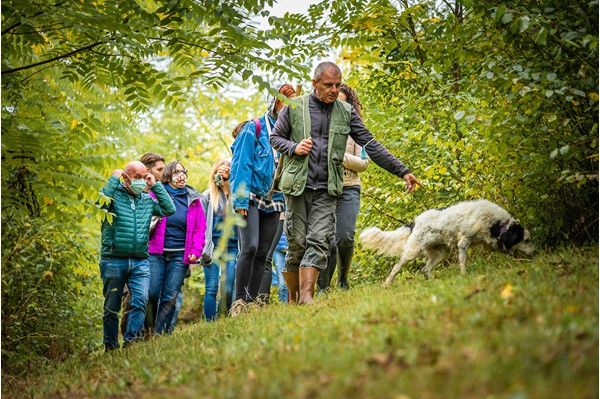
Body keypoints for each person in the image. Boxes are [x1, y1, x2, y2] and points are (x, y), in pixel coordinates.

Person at [270, 62, 423, 305]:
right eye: (328, 85)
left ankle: (307, 295)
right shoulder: (295, 107)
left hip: (327, 188)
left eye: (337, 85)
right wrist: (294, 147)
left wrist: (401, 171)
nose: (333, 89)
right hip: (297, 186)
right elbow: (275, 137)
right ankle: (295, 296)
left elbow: (370, 144)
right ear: (315, 84)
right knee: (297, 243)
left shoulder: (346, 111)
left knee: (319, 240)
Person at [229, 83, 297, 315]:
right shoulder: (254, 128)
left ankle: (251, 302)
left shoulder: (290, 134)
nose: (289, 108)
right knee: (249, 247)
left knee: (263, 253)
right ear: (276, 103)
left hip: (276, 199)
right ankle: (238, 301)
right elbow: (241, 165)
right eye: (285, 102)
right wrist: (239, 202)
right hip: (250, 197)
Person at [99, 161, 175, 351]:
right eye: (137, 177)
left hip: (140, 261)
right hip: (113, 259)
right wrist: (113, 179)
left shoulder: (147, 200)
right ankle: (110, 346)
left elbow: (168, 209)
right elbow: (99, 206)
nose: (142, 181)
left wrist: (155, 184)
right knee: (111, 307)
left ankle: (131, 343)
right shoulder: (113, 197)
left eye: (144, 176)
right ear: (126, 178)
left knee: (140, 301)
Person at [317, 84, 368, 291]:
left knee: (344, 237)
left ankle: (343, 279)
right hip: (323, 188)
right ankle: (322, 288)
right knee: (325, 240)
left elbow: (363, 163)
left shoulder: (357, 130)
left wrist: (340, 157)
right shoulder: (318, 126)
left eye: (342, 102)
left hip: (349, 187)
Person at [147, 161, 206, 334]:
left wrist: (196, 251)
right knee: (151, 293)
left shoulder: (193, 198)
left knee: (170, 295)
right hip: (156, 252)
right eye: (176, 172)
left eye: (183, 172)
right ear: (167, 175)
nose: (181, 176)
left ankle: (162, 334)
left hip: (180, 254)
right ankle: (148, 330)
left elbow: (199, 228)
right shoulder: (157, 194)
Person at [120, 152, 166, 337]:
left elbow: (167, 211)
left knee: (143, 297)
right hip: (125, 252)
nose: (163, 173)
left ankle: (143, 334)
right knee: (129, 300)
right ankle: (129, 339)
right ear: (148, 170)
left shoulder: (158, 193)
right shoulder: (128, 192)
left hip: (146, 254)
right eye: (159, 170)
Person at [200, 159, 239, 320]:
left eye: (226, 172)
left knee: (229, 288)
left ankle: (221, 317)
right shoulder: (207, 196)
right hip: (212, 248)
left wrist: (228, 185)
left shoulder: (236, 196)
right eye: (219, 171)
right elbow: (200, 225)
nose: (221, 175)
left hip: (232, 247)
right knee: (211, 287)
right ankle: (210, 322)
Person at [257, 213, 287, 303]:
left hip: (293, 249)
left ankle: (263, 301)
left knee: (266, 259)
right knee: (282, 284)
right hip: (279, 249)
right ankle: (283, 307)